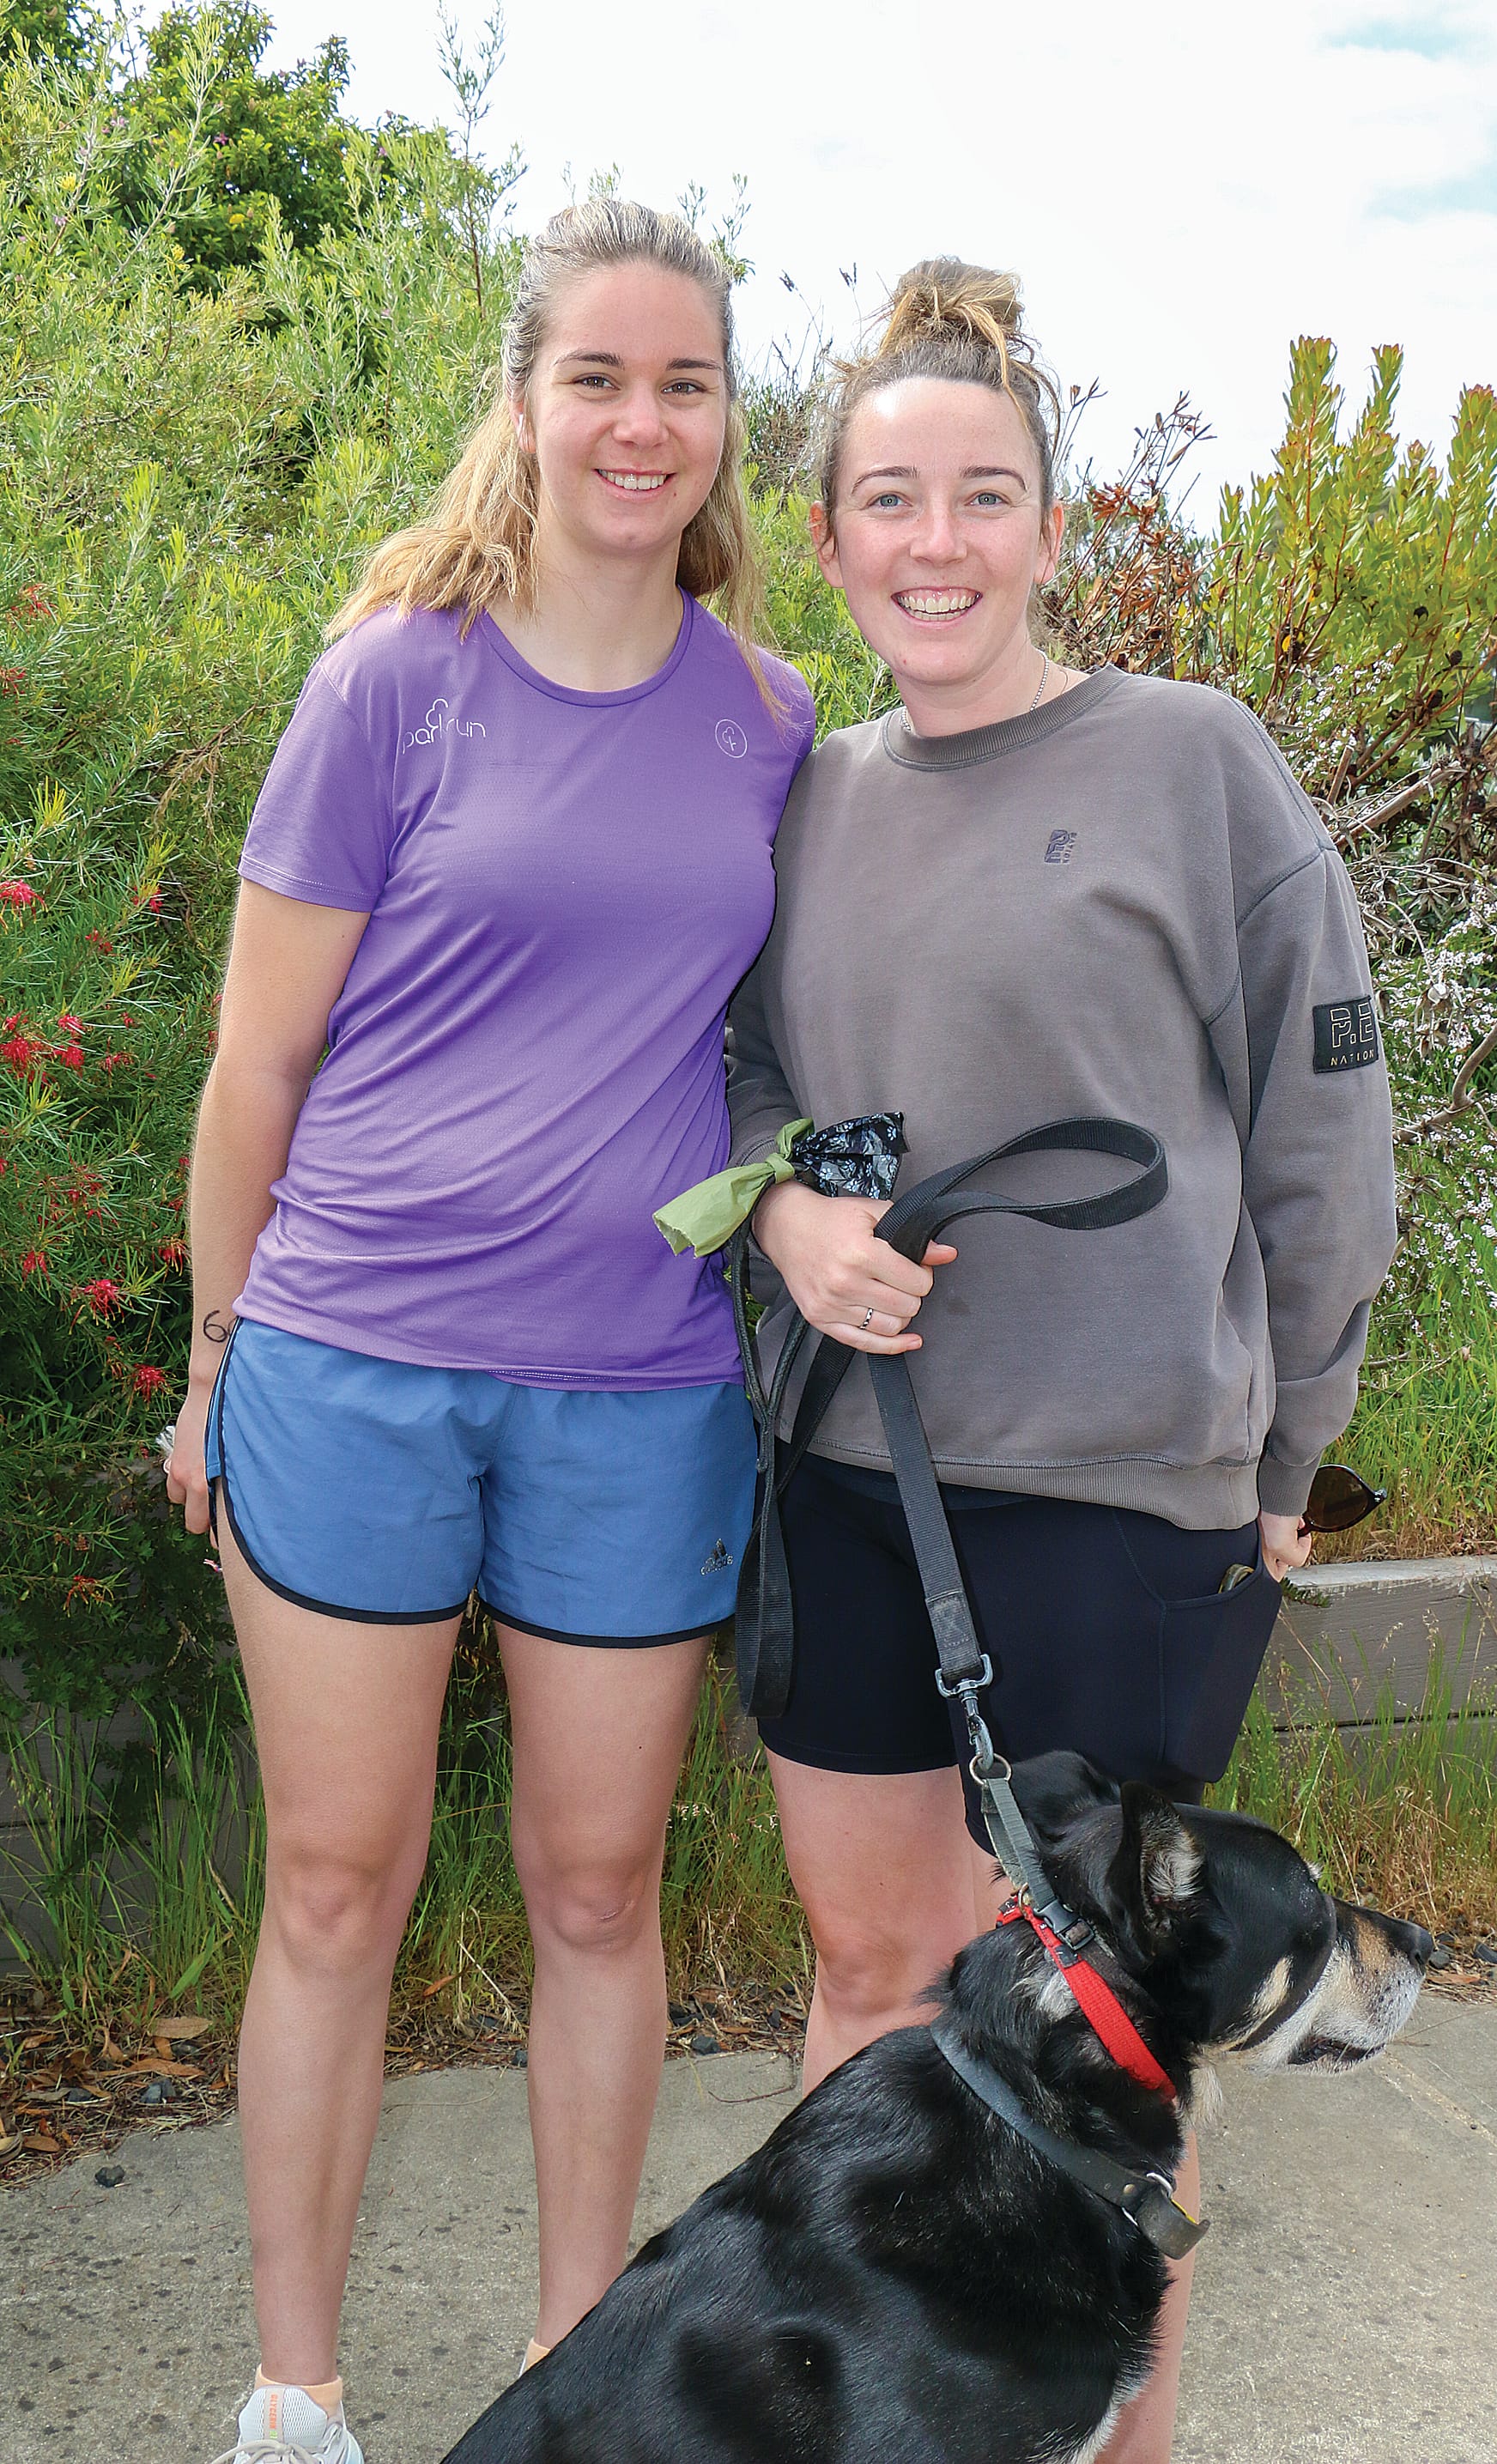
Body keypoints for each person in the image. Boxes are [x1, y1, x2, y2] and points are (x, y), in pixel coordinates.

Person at [727, 258, 1396, 2464]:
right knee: (867, 1993)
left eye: (983, 495)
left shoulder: (1195, 764)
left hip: (1126, 1499)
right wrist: (787, 1207)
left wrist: (1298, 1441)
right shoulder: (801, 795)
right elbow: (718, 1086)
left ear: (1048, 520)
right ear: (824, 535)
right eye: (891, 500)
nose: (938, 542)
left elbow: (1322, 1131)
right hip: (860, 1486)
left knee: (1106, 2041)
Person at [165, 198, 812, 2464]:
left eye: (685, 381)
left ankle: (579, 2380)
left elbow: (771, 1050)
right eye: (598, 377)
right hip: (349, 1357)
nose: (641, 421)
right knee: (335, 1883)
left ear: (729, 421)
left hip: (639, 1389)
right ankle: (297, 2388)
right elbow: (254, 1066)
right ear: (522, 402)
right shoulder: (391, 682)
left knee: (595, 1885)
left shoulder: (769, 718)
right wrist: (215, 1354)